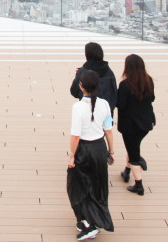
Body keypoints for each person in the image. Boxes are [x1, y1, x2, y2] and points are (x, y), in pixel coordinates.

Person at [67, 69, 115, 239]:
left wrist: (71, 154)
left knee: (78, 186)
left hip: (84, 150)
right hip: (99, 148)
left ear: (81, 86)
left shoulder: (78, 107)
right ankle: (93, 220)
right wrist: (111, 151)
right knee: (97, 185)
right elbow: (108, 130)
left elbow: (75, 135)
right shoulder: (105, 104)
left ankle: (87, 222)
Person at [117, 54, 155, 196]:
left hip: (130, 126)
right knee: (132, 146)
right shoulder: (148, 81)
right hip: (145, 123)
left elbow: (120, 104)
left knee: (133, 154)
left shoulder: (125, 85)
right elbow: (152, 98)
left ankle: (138, 185)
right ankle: (127, 171)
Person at [70, 42, 117, 118]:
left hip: (87, 114)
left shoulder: (82, 72)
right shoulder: (109, 72)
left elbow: (74, 92)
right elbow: (114, 94)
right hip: (105, 114)